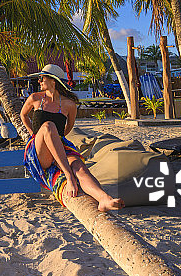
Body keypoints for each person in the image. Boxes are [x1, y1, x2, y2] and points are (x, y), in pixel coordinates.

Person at [21, 64, 124, 212]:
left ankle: (104, 199)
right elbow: (23, 115)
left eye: (42, 77)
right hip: (39, 151)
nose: (39, 80)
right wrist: (33, 133)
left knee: (80, 168)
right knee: (48, 126)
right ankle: (69, 176)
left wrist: (56, 138)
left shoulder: (69, 105)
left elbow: (67, 128)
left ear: (53, 81)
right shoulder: (35, 98)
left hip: (60, 146)